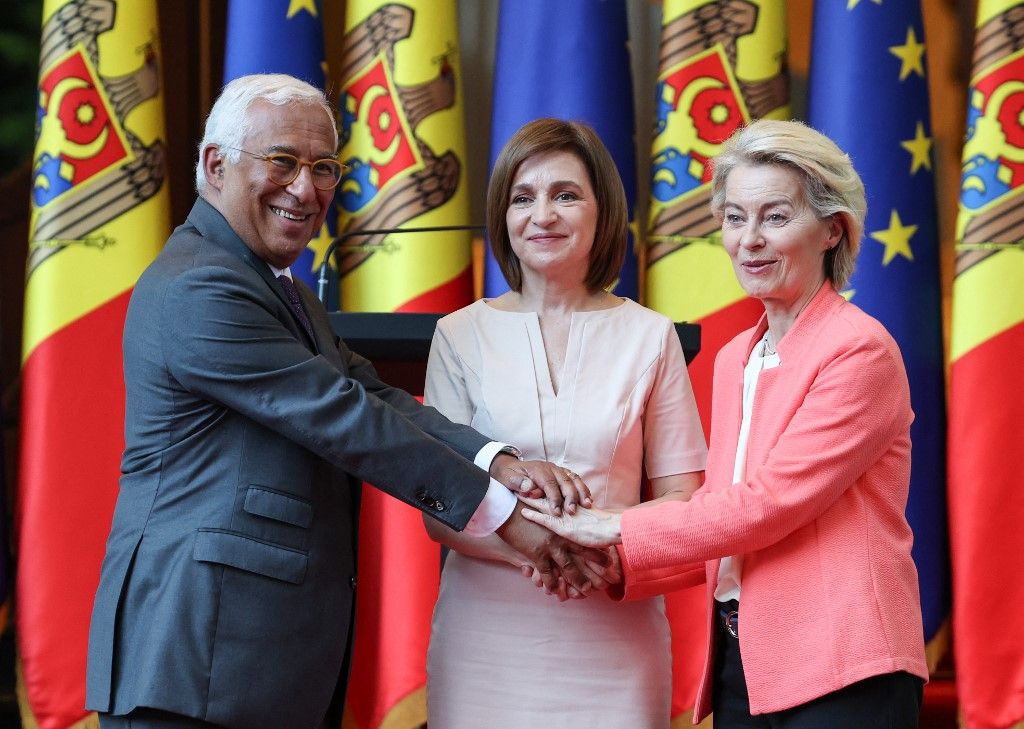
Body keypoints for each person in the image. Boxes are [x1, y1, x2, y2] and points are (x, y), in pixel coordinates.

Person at [85, 74, 606, 729]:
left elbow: (374, 392)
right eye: (282, 161)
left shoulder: (287, 293)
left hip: (250, 668)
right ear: (216, 165)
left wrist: (497, 460)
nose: (306, 188)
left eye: (323, 167)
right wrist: (507, 517)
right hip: (193, 665)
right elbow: (344, 416)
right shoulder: (200, 286)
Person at [524, 119, 928, 728]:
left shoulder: (859, 351)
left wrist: (609, 525)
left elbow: (767, 507)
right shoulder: (738, 354)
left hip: (845, 662)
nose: (750, 240)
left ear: (832, 230)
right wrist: (608, 562)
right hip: (746, 661)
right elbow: (721, 512)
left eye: (775, 217)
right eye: (735, 218)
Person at [422, 118, 707, 728]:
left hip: (616, 626)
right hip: (486, 638)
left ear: (601, 212)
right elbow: (439, 507)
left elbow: (686, 499)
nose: (542, 215)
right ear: (502, 216)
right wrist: (544, 551)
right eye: (523, 198)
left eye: (566, 195)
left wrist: (604, 546)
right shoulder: (458, 334)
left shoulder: (652, 336)